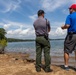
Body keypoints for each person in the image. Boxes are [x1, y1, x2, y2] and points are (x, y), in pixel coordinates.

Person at [61, 4, 76, 71]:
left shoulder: (69, 16)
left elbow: (67, 25)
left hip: (71, 35)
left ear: (73, 9)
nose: (69, 10)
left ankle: (66, 66)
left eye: (70, 9)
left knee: (66, 50)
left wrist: (63, 27)